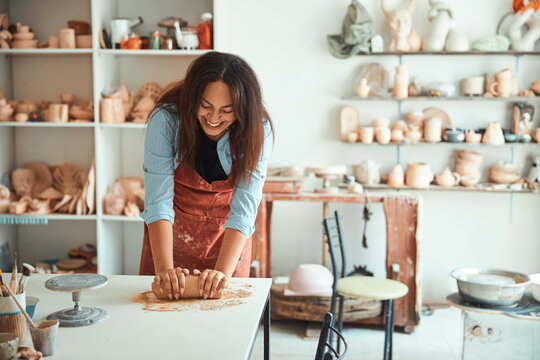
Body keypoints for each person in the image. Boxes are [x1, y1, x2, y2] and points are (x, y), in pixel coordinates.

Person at [139, 51, 273, 301]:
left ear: (242, 108)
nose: (213, 118)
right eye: (205, 106)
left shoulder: (257, 129)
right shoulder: (166, 119)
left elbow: (244, 208)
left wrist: (222, 273)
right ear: (192, 97)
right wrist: (165, 272)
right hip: (171, 242)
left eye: (227, 110)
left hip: (228, 242)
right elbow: (158, 202)